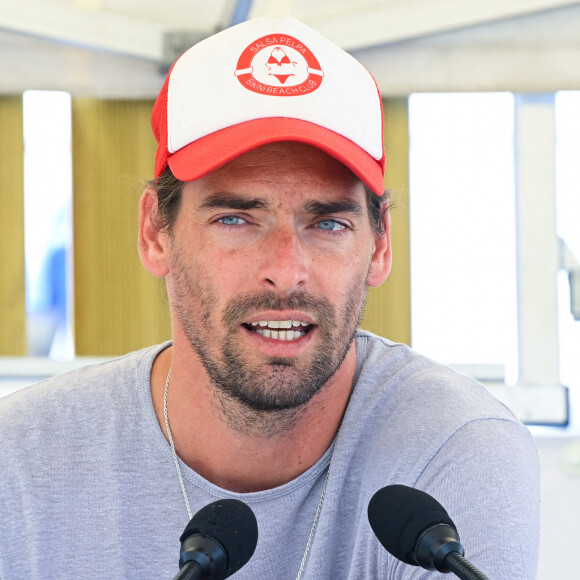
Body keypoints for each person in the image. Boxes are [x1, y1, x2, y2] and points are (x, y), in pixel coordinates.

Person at [0, 15, 539, 580]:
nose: (286, 272)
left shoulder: (454, 452)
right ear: (155, 233)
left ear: (380, 246)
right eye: (236, 219)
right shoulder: (23, 466)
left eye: (328, 224)